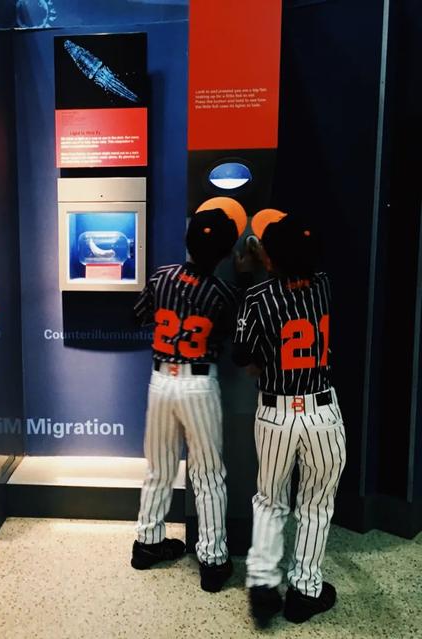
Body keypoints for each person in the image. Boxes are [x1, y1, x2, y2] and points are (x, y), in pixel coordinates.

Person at [233, 210, 346, 626]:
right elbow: (297, 269)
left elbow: (242, 356)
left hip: (276, 413)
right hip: (322, 412)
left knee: (270, 499)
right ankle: (305, 591)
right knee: (316, 503)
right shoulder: (325, 285)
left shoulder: (257, 297)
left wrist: (248, 272)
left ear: (269, 259)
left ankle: (263, 581)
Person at [131, 197, 249, 593]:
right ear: (226, 254)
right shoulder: (225, 292)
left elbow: (137, 315)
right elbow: (237, 338)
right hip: (198, 384)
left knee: (159, 467)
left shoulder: (161, 277)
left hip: (161, 380)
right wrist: (243, 276)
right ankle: (213, 561)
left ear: (188, 241)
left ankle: (147, 543)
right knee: (208, 474)